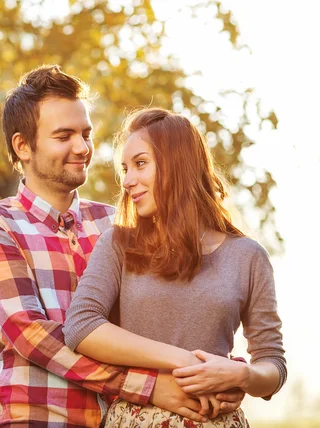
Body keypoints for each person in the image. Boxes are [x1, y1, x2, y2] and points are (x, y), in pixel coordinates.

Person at [0, 65, 245, 427]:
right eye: (63, 136)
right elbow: (33, 336)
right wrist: (149, 386)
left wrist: (226, 374)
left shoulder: (121, 224)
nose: (82, 148)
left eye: (86, 133)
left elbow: (177, 311)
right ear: (23, 146)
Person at [63, 107, 287, 427]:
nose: (127, 180)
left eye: (140, 164)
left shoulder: (248, 256)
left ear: (178, 164)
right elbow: (81, 327)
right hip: (136, 419)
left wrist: (243, 374)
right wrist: (183, 360)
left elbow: (273, 364)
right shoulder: (118, 245)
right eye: (125, 169)